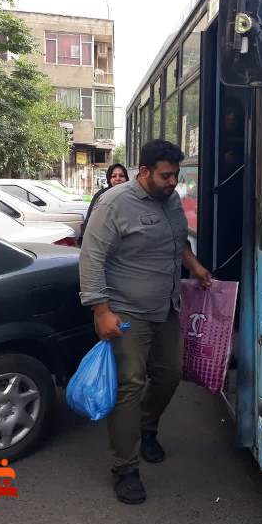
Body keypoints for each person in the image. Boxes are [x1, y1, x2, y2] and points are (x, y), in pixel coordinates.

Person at [79, 140, 212, 505]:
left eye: (176, 175)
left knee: (170, 374)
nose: (173, 182)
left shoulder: (171, 200)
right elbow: (91, 259)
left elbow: (178, 242)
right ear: (144, 172)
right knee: (130, 385)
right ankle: (125, 468)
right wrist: (101, 311)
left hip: (166, 307)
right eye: (166, 175)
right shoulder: (113, 204)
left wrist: (195, 267)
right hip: (126, 312)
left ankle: (146, 426)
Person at [79, 163, 129, 244]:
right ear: (109, 178)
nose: (118, 178)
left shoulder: (131, 196)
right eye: (114, 176)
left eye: (121, 176)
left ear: (126, 178)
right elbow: (90, 220)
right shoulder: (101, 195)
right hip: (103, 240)